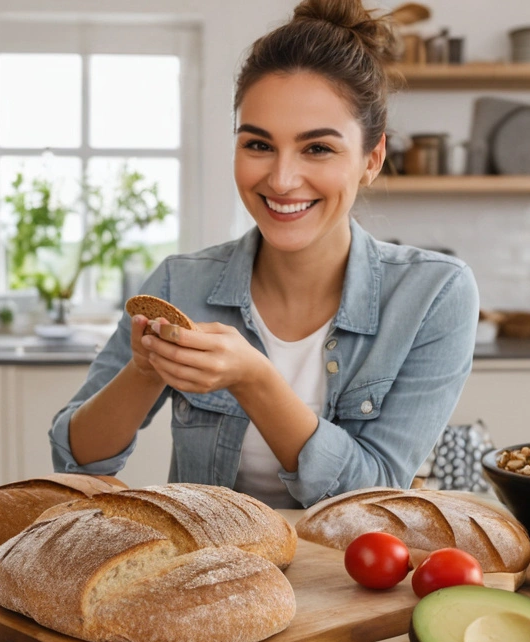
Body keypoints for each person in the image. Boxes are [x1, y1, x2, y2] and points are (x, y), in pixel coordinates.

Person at [49, 0, 479, 509]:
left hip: (350, 581)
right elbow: (77, 460)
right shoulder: (177, 284)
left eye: (317, 149)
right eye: (258, 145)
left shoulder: (434, 295)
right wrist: (143, 371)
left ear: (372, 159)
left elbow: (372, 497)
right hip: (207, 575)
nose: (280, 179)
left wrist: (255, 380)